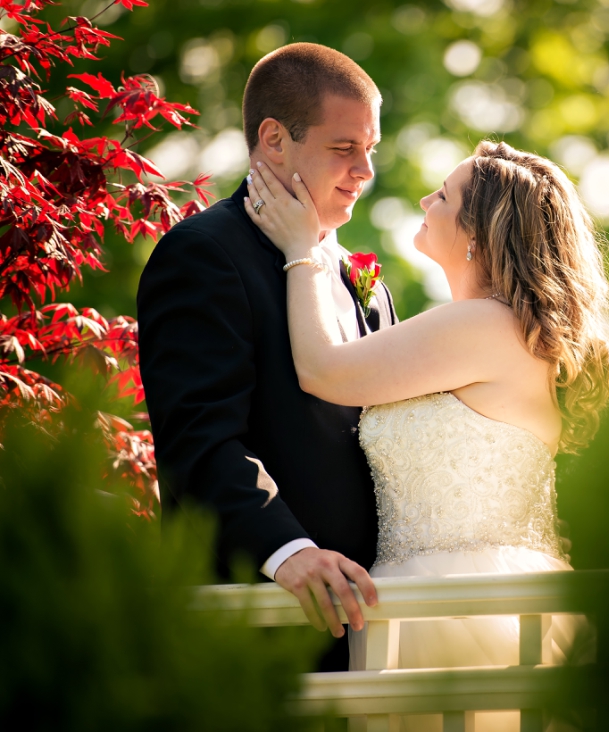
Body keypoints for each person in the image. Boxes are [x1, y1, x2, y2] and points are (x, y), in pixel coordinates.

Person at [244, 139, 609, 730]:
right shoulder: (509, 331)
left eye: (444, 195)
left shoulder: (487, 325)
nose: (425, 197)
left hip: (458, 609)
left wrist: (302, 251)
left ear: (479, 232)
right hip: (431, 598)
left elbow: (323, 370)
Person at [136, 43, 396, 671]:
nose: (365, 170)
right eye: (344, 148)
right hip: (261, 623)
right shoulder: (202, 255)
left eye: (371, 150)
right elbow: (199, 439)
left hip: (376, 623)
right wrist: (290, 551)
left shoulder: (370, 282)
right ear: (274, 139)